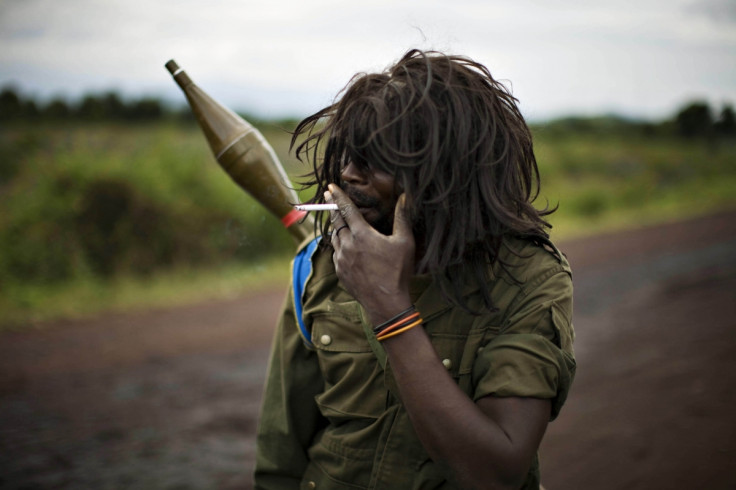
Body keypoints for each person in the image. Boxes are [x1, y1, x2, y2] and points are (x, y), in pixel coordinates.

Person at [254, 49, 575, 490]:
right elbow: (280, 458)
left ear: (448, 171)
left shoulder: (527, 280)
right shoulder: (323, 265)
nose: (348, 174)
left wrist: (388, 307)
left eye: (374, 159)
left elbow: (495, 474)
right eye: (349, 154)